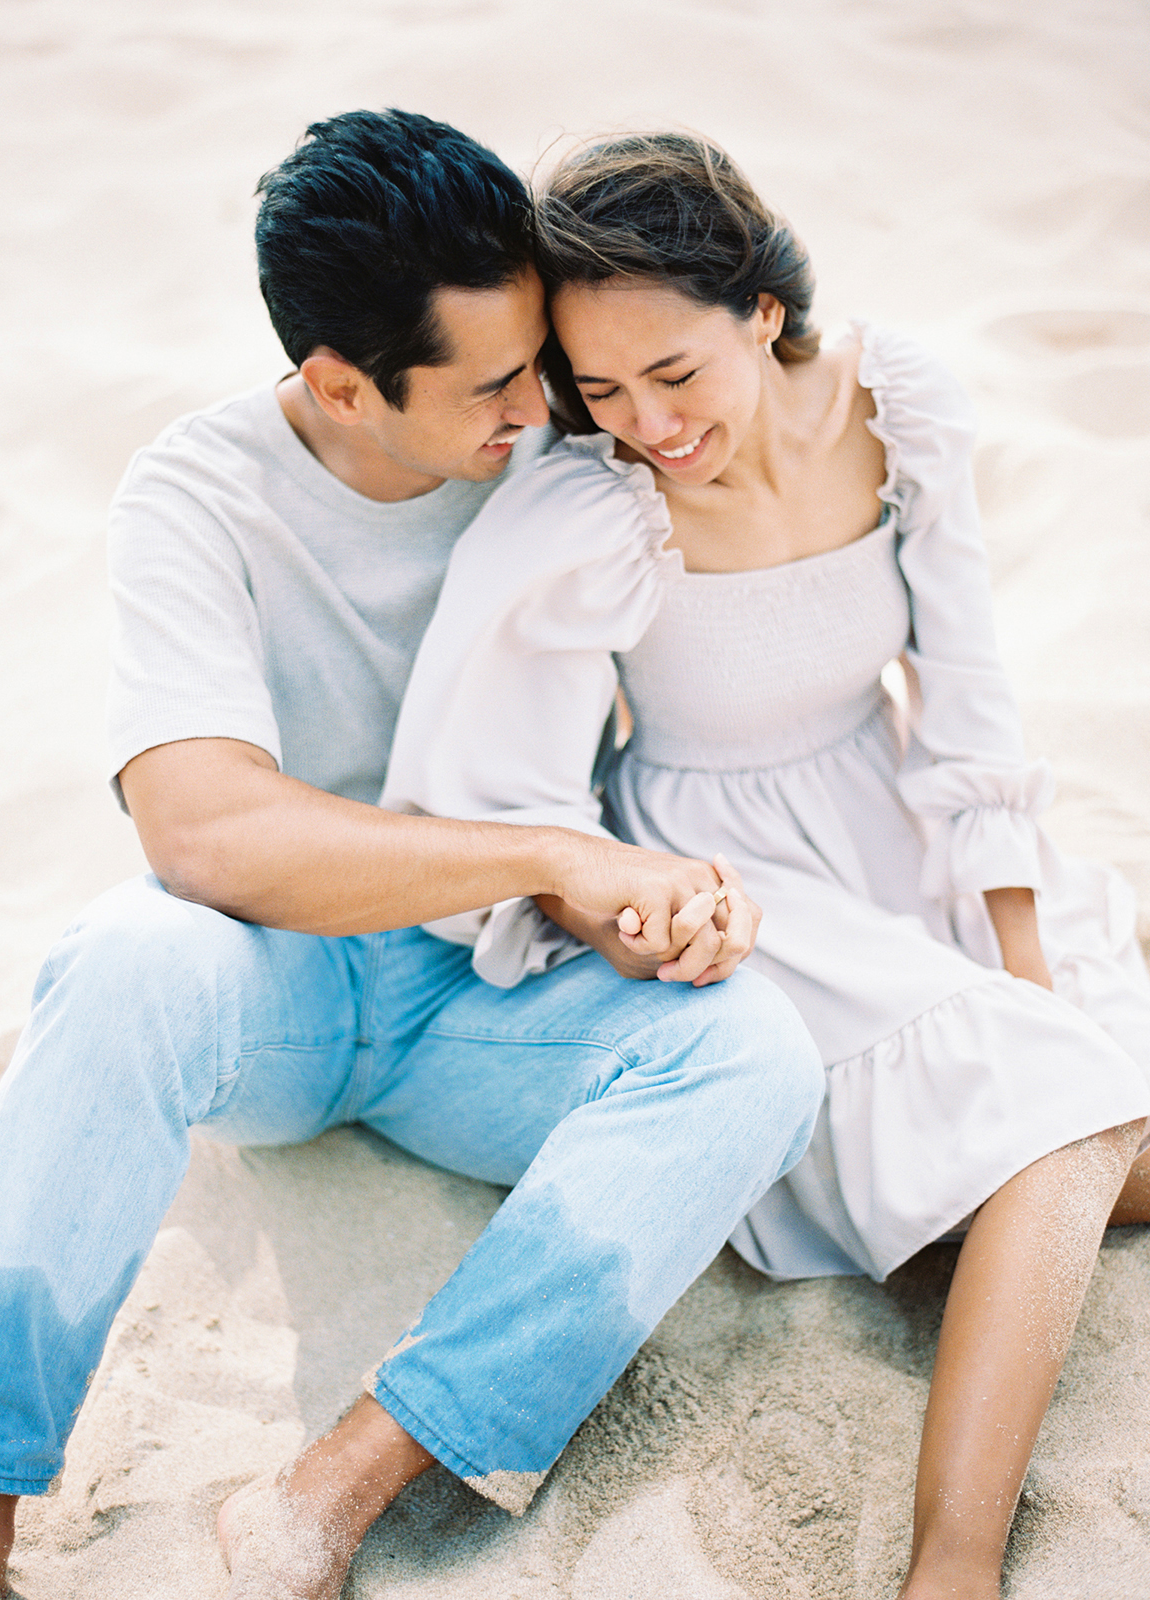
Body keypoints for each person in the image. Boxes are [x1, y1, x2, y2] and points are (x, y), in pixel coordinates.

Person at [0, 112, 828, 1600]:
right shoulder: (196, 493)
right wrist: (550, 853)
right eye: (493, 385)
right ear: (343, 386)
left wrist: (630, 899)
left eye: (539, 365)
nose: (542, 408)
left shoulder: (568, 446)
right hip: (272, 996)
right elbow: (202, 827)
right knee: (118, 960)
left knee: (754, 1053)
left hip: (486, 1001)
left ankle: (330, 1490)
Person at [380, 131, 1150, 1600]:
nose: (646, 422)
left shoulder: (897, 406)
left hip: (907, 820)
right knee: (1065, 1140)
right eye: (597, 389)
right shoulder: (592, 507)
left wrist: (1028, 971)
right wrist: (619, 924)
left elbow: (970, 707)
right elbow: (507, 798)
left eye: (675, 373)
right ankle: (956, 1566)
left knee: (1103, 1115)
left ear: (766, 311)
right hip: (734, 879)